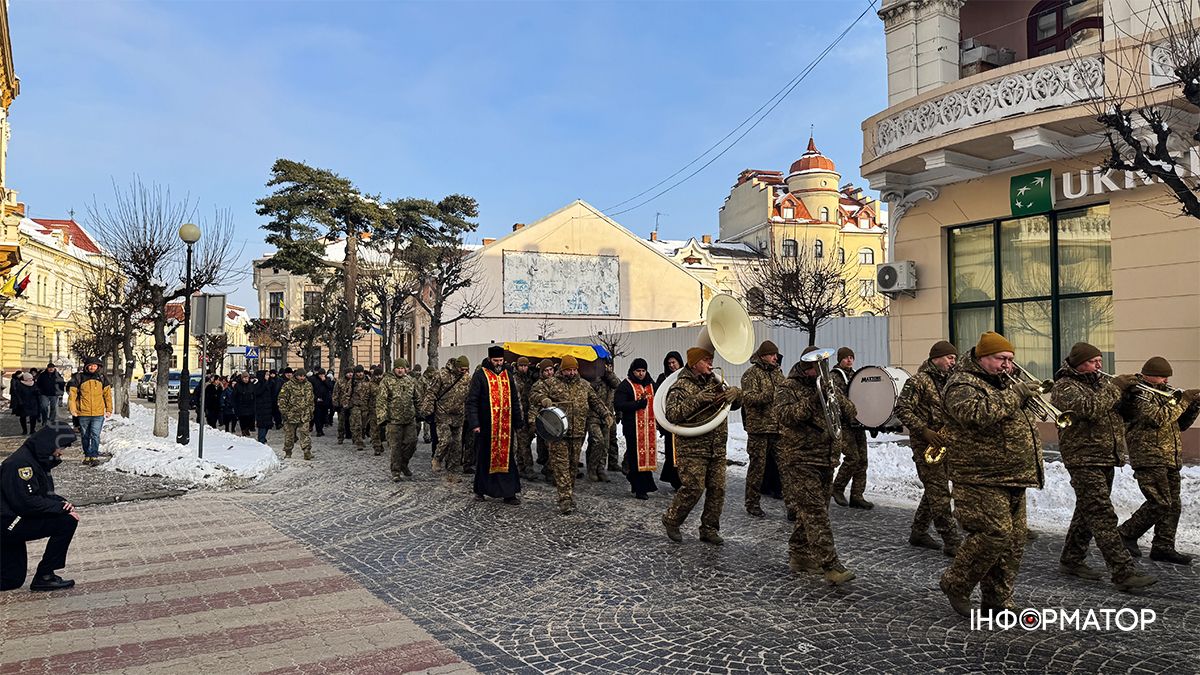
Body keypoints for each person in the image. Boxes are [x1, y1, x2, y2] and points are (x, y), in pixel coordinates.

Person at [939, 331, 1043, 617]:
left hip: (1013, 473)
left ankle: (997, 600)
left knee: (1014, 541)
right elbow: (976, 415)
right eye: (1000, 359)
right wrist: (1015, 394)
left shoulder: (1004, 383)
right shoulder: (961, 384)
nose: (1007, 365)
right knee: (993, 534)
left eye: (1010, 359)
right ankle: (956, 583)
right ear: (982, 357)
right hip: (979, 475)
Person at [1050, 342, 1157, 590]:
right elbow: (1091, 408)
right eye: (1093, 361)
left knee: (1087, 510)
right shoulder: (1065, 387)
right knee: (1102, 514)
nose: (1099, 365)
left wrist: (1129, 396)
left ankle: (1071, 559)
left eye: (1100, 360)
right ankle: (1123, 572)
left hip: (1105, 456)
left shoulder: (1102, 384)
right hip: (1083, 458)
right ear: (1078, 363)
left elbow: (1126, 416)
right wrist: (1116, 387)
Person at [773, 348, 857, 584]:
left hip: (826, 457)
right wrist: (813, 401)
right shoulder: (788, 387)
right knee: (815, 513)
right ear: (805, 367)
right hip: (800, 458)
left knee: (813, 510)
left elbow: (851, 412)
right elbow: (785, 416)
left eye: (823, 366)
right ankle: (831, 565)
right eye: (816, 367)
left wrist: (835, 396)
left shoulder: (827, 385)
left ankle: (800, 555)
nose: (821, 371)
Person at [1119, 357, 1200, 565]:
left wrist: (1193, 407)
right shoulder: (1138, 393)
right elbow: (1158, 418)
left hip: (1169, 456)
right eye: (1161, 376)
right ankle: (1125, 534)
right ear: (1148, 375)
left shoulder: (1166, 393)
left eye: (1167, 377)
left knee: (1173, 505)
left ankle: (1163, 546)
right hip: (1149, 456)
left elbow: (1179, 424)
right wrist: (1184, 400)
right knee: (1159, 502)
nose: (1166, 381)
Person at [661, 346, 741, 544]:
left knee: (717, 489)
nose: (710, 363)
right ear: (694, 363)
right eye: (706, 360)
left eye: (711, 360)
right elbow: (672, 414)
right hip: (693, 448)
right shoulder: (680, 386)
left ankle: (709, 529)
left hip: (716, 446)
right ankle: (672, 519)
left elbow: (733, 405)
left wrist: (736, 394)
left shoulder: (716, 382)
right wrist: (696, 400)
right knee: (693, 488)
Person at [895, 340, 962, 556]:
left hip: (944, 442)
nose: (953, 362)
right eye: (950, 357)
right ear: (936, 358)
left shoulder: (950, 380)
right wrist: (923, 431)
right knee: (939, 493)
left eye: (954, 358)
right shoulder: (918, 381)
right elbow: (901, 409)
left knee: (935, 490)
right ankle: (952, 541)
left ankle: (918, 531)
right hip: (925, 444)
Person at [1, 422, 80, 591]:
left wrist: (63, 504)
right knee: (66, 522)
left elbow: (42, 494)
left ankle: (44, 576)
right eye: (60, 448)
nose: (60, 453)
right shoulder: (20, 464)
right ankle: (45, 575)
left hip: (13, 520)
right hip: (8, 523)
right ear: (49, 443)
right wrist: (60, 509)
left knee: (12, 580)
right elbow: (26, 502)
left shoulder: (34, 459)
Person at [532, 356, 611, 514]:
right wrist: (543, 399)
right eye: (569, 370)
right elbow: (534, 393)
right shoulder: (551, 383)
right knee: (561, 466)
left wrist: (606, 414)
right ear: (562, 370)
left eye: (574, 369)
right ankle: (565, 499)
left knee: (573, 467)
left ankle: (569, 493)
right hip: (558, 433)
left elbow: (595, 401)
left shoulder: (584, 385)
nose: (572, 373)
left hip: (577, 433)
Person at [467, 346, 525, 503]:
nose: (498, 363)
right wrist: (475, 423)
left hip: (505, 425)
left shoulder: (508, 375)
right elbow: (472, 401)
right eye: (495, 360)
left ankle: (509, 493)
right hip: (486, 426)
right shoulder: (480, 375)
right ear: (489, 359)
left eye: (500, 360)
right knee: (485, 458)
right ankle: (480, 490)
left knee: (507, 459)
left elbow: (515, 399)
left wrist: (518, 421)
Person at [740, 340, 784, 518]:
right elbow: (748, 398)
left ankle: (793, 506)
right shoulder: (751, 374)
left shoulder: (778, 372)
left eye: (776, 354)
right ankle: (752, 503)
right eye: (772, 354)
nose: (775, 357)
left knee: (785, 466)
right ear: (763, 356)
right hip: (759, 429)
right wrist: (770, 395)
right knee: (757, 468)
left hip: (778, 428)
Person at [830, 347, 871, 509]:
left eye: (851, 357)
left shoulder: (856, 376)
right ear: (840, 360)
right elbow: (836, 400)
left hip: (858, 423)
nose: (849, 360)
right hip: (844, 424)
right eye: (846, 358)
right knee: (852, 457)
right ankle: (837, 488)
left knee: (863, 460)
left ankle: (857, 495)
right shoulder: (834, 377)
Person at [614, 358, 658, 500]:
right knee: (636, 458)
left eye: (643, 371)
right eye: (638, 371)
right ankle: (640, 488)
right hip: (632, 428)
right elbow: (619, 404)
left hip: (648, 428)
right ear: (633, 371)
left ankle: (640, 484)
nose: (641, 374)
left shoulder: (651, 384)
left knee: (646, 457)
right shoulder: (625, 385)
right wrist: (637, 404)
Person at [420, 356, 470, 482]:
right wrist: (428, 410)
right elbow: (431, 393)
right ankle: (437, 458)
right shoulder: (441, 375)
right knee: (445, 439)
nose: (464, 371)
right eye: (462, 369)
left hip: (458, 415)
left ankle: (452, 472)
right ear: (457, 367)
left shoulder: (467, 378)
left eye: (466, 369)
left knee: (457, 445)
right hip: (443, 413)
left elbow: (470, 395)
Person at [377, 358, 421, 480]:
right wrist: (382, 416)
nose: (400, 370)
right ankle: (395, 471)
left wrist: (420, 412)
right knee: (395, 447)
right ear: (394, 369)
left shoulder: (410, 381)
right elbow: (381, 400)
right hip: (394, 420)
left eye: (402, 368)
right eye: (398, 368)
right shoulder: (387, 381)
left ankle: (403, 463)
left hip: (409, 418)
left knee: (412, 443)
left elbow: (417, 398)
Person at [66, 358, 113, 467]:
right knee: (85, 435)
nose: (92, 367)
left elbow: (107, 396)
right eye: (90, 365)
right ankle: (87, 455)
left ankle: (94, 456)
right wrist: (73, 409)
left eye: (95, 366)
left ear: (98, 367)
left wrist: (109, 409)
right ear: (86, 366)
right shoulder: (79, 378)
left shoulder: (102, 378)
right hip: (83, 413)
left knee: (95, 435)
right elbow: (72, 395)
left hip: (98, 413)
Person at [586, 359, 621, 482]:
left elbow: (618, 386)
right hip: (593, 415)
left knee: (605, 444)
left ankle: (601, 468)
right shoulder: (593, 377)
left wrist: (609, 374)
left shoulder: (610, 379)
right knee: (597, 441)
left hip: (608, 416)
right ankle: (592, 468)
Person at [656, 351, 684, 490]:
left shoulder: (685, 376)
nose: (672, 365)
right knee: (671, 451)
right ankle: (675, 479)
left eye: (674, 362)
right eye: (669, 363)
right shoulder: (663, 378)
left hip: (684, 420)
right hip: (669, 421)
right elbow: (657, 398)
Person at [253, 371, 275, 444]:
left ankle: (263, 437)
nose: (268, 376)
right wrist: (264, 385)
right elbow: (257, 393)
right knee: (262, 425)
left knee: (267, 424)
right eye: (266, 375)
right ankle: (261, 439)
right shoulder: (257, 384)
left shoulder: (270, 383)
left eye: (268, 375)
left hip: (268, 407)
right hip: (261, 408)